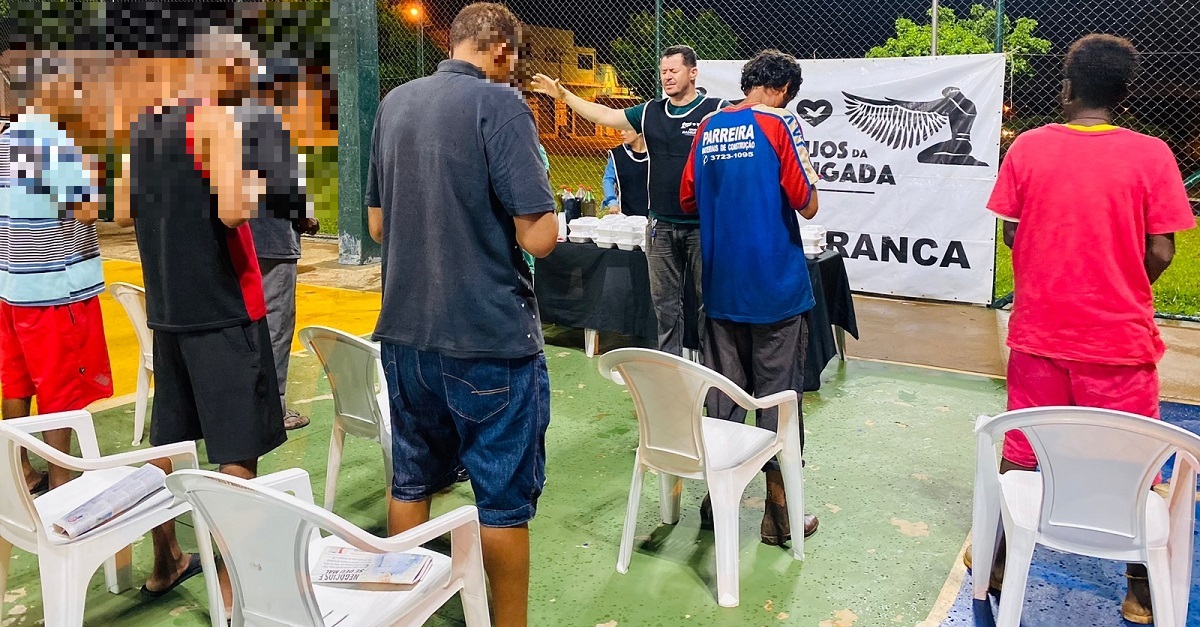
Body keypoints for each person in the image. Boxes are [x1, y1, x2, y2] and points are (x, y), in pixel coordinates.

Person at [980, 34, 1195, 625]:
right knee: (1133, 460)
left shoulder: (1027, 147)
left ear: (1066, 88)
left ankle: (996, 563)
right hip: (1120, 343)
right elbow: (1161, 249)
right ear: (1125, 97)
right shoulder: (1152, 154)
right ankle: (1139, 590)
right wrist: (1123, 282)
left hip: (1038, 336)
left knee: (1021, 451)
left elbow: (1011, 234)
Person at [365, 4, 557, 626]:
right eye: (515, 56)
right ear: (499, 48)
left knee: (412, 479)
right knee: (502, 503)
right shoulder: (500, 107)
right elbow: (540, 238)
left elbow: (375, 224)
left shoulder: (395, 103)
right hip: (487, 336)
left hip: (404, 335)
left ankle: (403, 609)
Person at [113, 24, 284, 606]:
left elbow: (118, 208)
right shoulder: (213, 121)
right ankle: (237, 593)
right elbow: (236, 212)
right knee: (236, 451)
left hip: (169, 309)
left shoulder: (145, 125)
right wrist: (258, 181)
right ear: (224, 69)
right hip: (223, 305)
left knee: (172, 442)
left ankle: (166, 561)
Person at [680, 49, 821, 544]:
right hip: (776, 288)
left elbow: (690, 198)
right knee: (780, 399)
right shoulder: (782, 125)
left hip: (721, 285)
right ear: (782, 89)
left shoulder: (708, 128)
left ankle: (714, 497)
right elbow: (808, 203)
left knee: (724, 393)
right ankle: (779, 514)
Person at [532, 45, 726, 357]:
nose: (667, 77)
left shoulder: (716, 110)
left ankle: (712, 369)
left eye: (673, 71)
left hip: (704, 227)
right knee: (665, 306)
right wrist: (564, 96)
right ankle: (672, 371)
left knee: (709, 303)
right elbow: (606, 115)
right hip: (660, 226)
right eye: (663, 72)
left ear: (692, 73)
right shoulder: (649, 112)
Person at [0, 55, 113, 493]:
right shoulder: (52, 140)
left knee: (18, 380)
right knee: (61, 391)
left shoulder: (8, 138)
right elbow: (87, 207)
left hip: (13, 287)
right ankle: (64, 481)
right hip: (55, 291)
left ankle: (21, 472)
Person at [240, 55, 320, 431]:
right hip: (271, 240)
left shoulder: (230, 120)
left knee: (244, 327)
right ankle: (274, 409)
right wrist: (306, 219)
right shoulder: (268, 124)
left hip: (240, 240)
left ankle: (244, 407)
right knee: (275, 325)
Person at [602, 128, 649, 216]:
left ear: (639, 132)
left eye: (626, 130)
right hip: (625, 214)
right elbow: (608, 179)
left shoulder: (656, 153)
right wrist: (612, 202)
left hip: (653, 213)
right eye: (621, 129)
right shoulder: (616, 155)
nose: (622, 133)